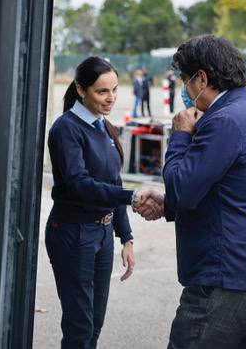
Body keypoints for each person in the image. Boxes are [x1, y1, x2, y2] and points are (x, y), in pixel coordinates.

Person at [133, 34, 246, 348]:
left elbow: (183, 191)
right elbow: (220, 190)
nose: (185, 91)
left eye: (185, 81)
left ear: (202, 78)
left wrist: (180, 136)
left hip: (223, 276)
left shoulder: (223, 120)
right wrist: (167, 203)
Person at [46, 56, 152, 348]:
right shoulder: (66, 128)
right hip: (73, 233)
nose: (111, 98)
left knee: (95, 321)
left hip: (102, 233)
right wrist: (131, 197)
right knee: (80, 327)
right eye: (102, 91)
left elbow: (112, 183)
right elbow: (80, 185)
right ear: (81, 90)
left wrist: (126, 237)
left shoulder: (103, 125)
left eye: (115, 89)